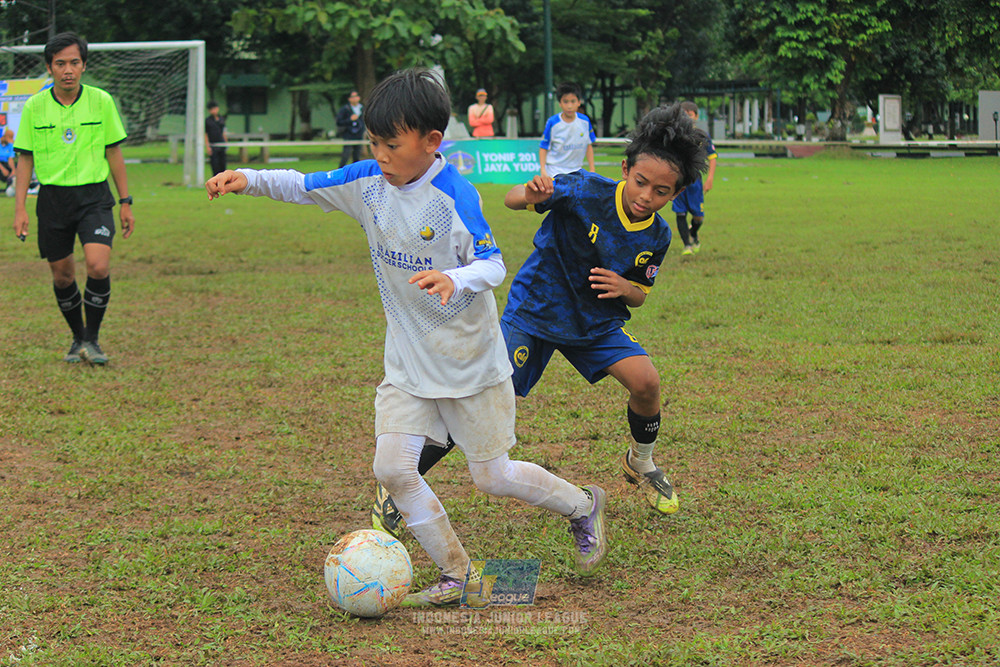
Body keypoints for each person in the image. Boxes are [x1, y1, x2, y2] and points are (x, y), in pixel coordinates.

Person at [205, 68, 608, 607]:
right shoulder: (368, 182)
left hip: (470, 363)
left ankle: (583, 504)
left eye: (391, 144)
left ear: (431, 141)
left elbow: (492, 266)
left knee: (492, 477)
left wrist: (453, 277)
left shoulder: (454, 197)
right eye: (374, 142)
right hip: (409, 363)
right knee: (393, 468)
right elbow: (303, 184)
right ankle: (458, 574)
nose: (381, 154)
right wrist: (247, 179)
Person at [373, 103, 708, 538]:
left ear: (675, 195)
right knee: (482, 398)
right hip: (536, 310)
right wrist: (528, 195)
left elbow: (641, 293)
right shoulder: (584, 188)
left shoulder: (659, 235)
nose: (646, 196)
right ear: (625, 169)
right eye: (641, 182)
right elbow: (513, 200)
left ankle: (640, 462)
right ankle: (399, 487)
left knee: (646, 382)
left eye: (661, 192)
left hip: (594, 324)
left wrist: (626, 290)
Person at [12, 32, 135, 366]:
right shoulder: (36, 106)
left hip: (94, 197)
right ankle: (77, 338)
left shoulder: (101, 101)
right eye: (60, 63)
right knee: (63, 275)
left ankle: (92, 340)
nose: (68, 70)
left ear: (84, 65)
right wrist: (20, 207)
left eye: (74, 62)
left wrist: (126, 202)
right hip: (52, 199)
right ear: (49, 68)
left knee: (98, 264)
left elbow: (114, 152)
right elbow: (24, 158)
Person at [672, 101, 717, 255]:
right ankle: (687, 246)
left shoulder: (702, 136)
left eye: (690, 115)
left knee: (698, 217)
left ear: (696, 116)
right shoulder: (675, 135)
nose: (687, 118)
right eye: (683, 115)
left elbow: (712, 157)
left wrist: (710, 178)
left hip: (695, 181)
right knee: (680, 212)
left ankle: (693, 233)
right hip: (678, 180)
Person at [539, 82, 596, 179]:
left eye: (573, 101)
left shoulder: (585, 121)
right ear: (560, 103)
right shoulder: (553, 122)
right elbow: (543, 147)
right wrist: (543, 170)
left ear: (579, 102)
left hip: (576, 171)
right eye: (565, 102)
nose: (569, 106)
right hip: (555, 170)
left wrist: (592, 170)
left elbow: (588, 145)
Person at [335, 90, 365, 167]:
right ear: (349, 99)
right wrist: (350, 120)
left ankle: (356, 175)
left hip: (359, 135)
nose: (354, 99)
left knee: (357, 156)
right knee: (346, 155)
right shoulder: (345, 109)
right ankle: (340, 173)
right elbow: (339, 122)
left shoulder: (362, 109)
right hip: (348, 135)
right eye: (352, 97)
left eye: (356, 96)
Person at [205, 100, 228, 176]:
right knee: (215, 166)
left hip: (221, 145)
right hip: (213, 145)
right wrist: (208, 146)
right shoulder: (208, 121)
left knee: (223, 166)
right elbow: (206, 134)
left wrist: (226, 142)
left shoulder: (221, 119)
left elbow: (223, 132)